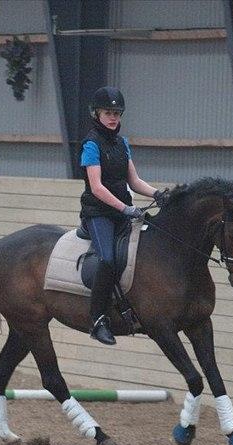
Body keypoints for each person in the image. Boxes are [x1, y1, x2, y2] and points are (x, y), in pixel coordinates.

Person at [79, 86, 169, 345]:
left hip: (122, 212)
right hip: (98, 214)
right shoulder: (90, 144)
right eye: (108, 112)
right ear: (96, 114)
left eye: (117, 113)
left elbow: (135, 180)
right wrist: (125, 208)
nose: (113, 117)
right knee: (107, 259)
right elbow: (96, 187)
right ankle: (97, 320)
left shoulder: (122, 143)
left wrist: (157, 194)